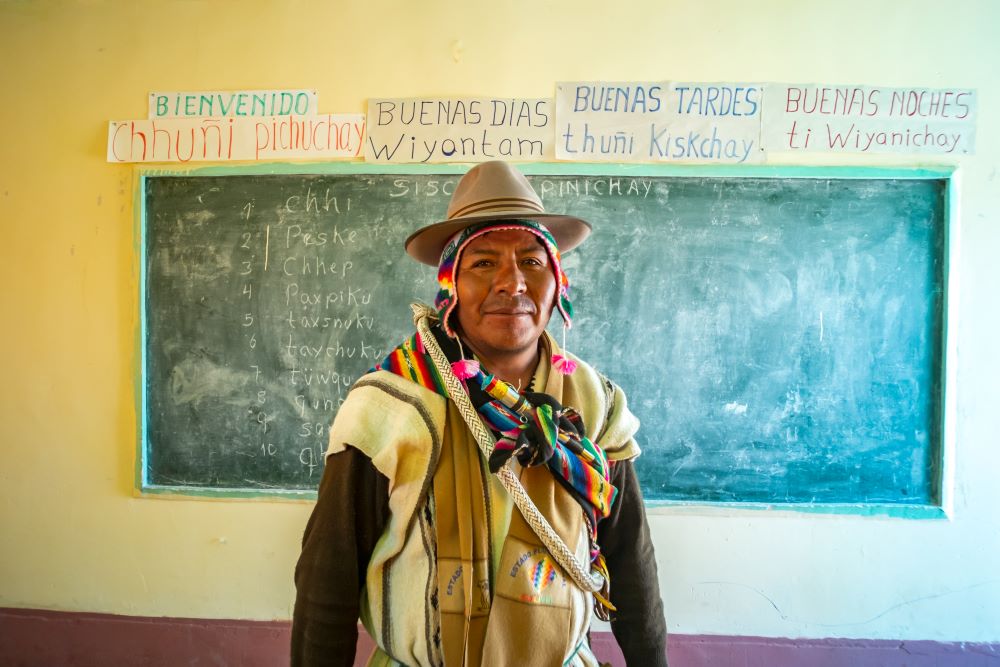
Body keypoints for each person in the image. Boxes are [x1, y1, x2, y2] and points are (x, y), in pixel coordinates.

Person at [292, 161, 667, 667]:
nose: (512, 284)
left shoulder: (593, 402)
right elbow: (328, 578)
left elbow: (630, 561)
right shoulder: (391, 403)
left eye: (533, 263)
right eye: (483, 264)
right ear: (449, 288)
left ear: (558, 282)